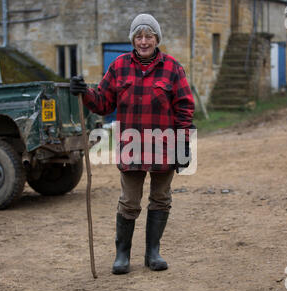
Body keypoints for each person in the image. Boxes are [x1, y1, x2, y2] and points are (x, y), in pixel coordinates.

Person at [70, 13, 195, 274]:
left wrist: (184, 142)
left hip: (164, 144)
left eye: (149, 35)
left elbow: (184, 107)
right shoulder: (119, 66)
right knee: (129, 201)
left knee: (161, 198)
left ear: (157, 38)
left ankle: (153, 253)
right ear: (133, 40)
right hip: (132, 145)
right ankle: (122, 255)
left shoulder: (173, 68)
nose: (144, 41)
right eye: (139, 36)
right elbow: (103, 101)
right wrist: (85, 93)